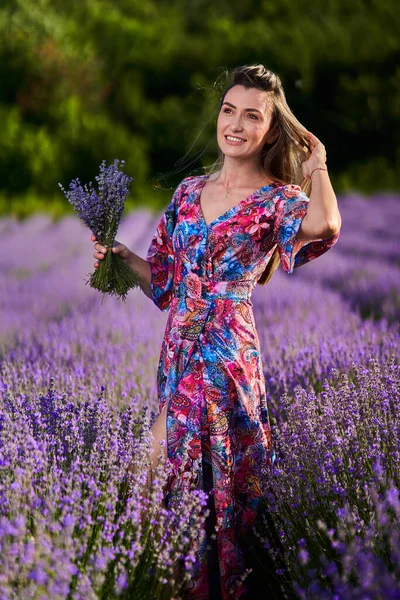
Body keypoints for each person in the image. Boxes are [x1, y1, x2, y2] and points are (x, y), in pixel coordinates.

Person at [91, 64, 342, 599]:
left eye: (253, 116)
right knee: (193, 482)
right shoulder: (188, 191)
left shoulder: (279, 199)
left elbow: (326, 227)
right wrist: (124, 258)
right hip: (179, 347)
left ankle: (178, 581)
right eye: (229, 110)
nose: (236, 124)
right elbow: (165, 281)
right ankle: (184, 584)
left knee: (152, 468)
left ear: (270, 131)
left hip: (225, 350)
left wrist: (317, 166)